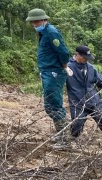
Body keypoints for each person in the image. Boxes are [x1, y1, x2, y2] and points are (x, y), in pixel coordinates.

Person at [25, 8, 72, 147]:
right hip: (47, 72)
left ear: (44, 19)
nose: (34, 24)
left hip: (54, 73)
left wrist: (64, 66)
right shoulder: (43, 32)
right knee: (48, 105)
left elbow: (63, 52)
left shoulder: (51, 32)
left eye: (36, 21)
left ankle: (65, 140)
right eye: (33, 22)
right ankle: (61, 134)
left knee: (55, 104)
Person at [66, 45, 102, 138]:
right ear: (77, 54)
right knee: (76, 127)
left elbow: (99, 81)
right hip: (77, 102)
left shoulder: (90, 68)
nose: (86, 60)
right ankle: (73, 139)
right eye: (84, 57)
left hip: (94, 100)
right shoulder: (67, 67)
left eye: (88, 58)